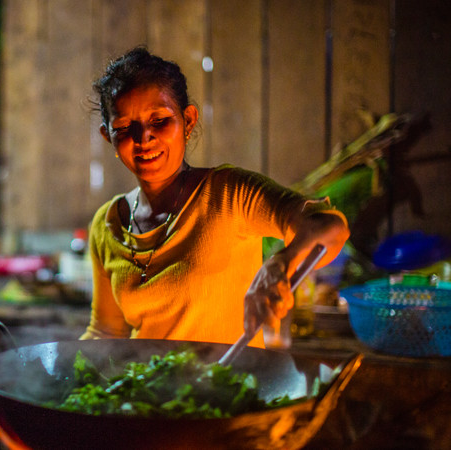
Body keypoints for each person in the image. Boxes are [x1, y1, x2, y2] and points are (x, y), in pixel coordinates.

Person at [81, 47, 350, 347]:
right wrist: (58, 370)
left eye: (159, 120)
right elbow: (107, 333)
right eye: (124, 127)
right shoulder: (107, 225)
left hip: (229, 388)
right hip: (149, 391)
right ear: (109, 137)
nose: (144, 138)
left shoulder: (228, 194)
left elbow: (330, 227)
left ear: (188, 121)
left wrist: (281, 263)